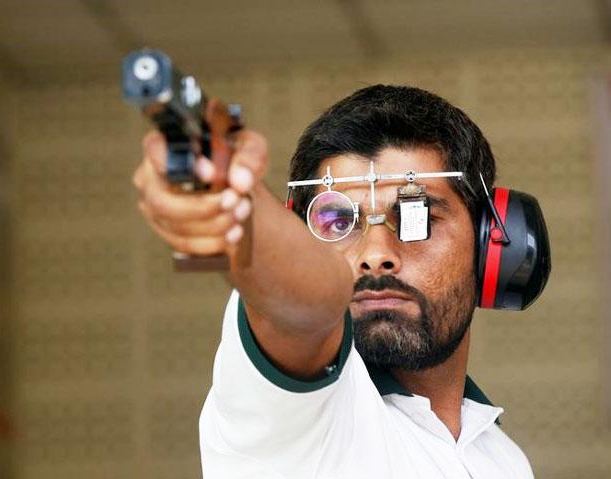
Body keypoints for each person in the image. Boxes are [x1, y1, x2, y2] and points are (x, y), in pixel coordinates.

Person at [132, 85, 534, 478]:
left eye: (419, 216)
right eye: (337, 222)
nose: (375, 255)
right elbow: (308, 304)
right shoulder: (292, 413)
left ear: (491, 243)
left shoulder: (504, 459)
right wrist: (237, 205)